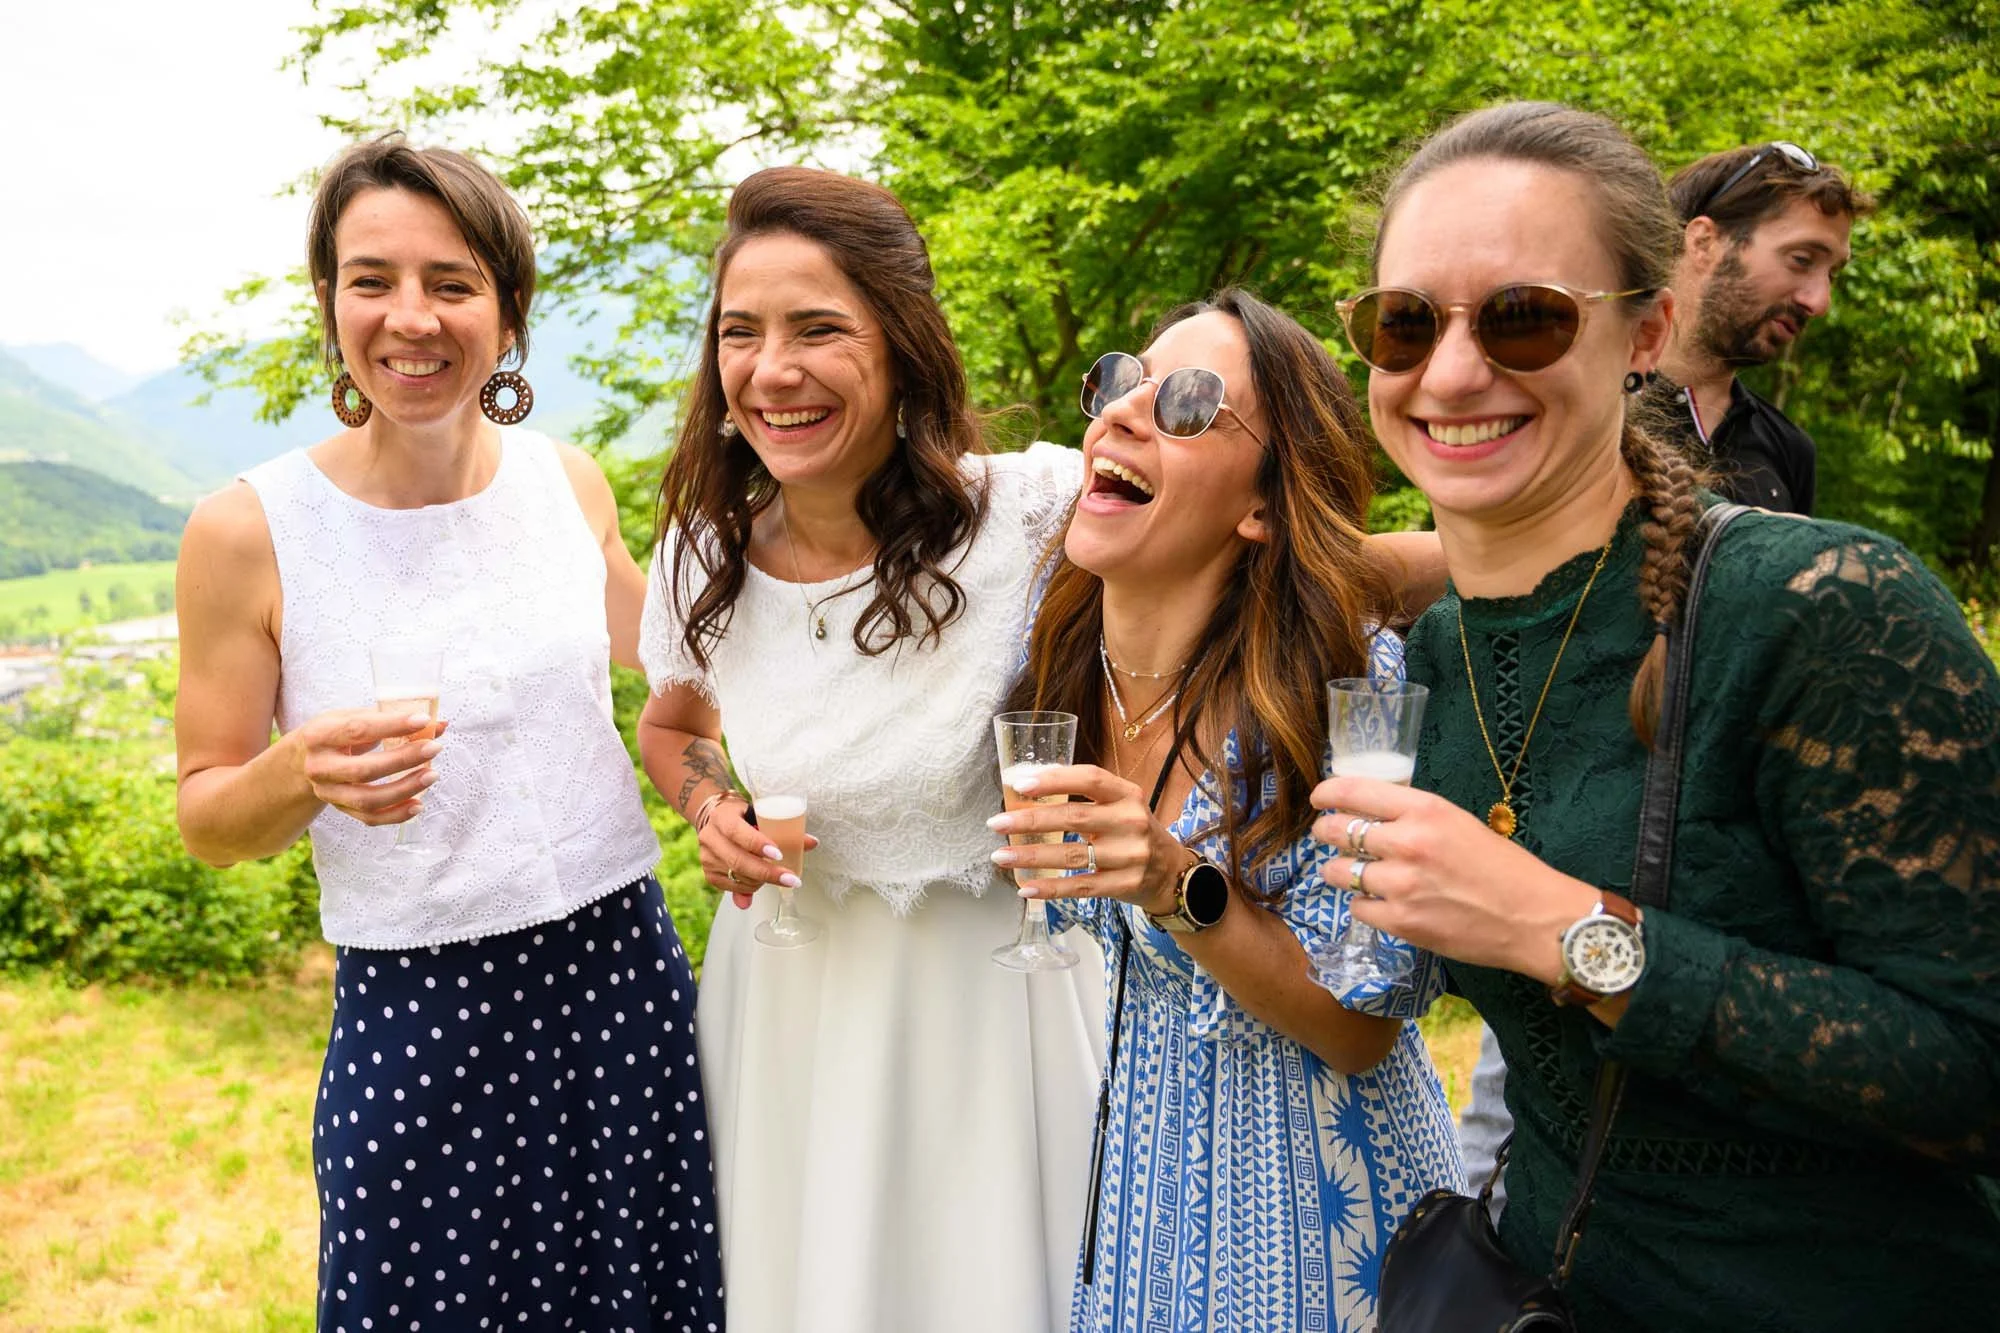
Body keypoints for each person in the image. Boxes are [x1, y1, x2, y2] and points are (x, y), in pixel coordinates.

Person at [1312, 100, 2000, 1329]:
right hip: (1543, 1289)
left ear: (1648, 331)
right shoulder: (1428, 654)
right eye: (1403, 322)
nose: (1452, 371)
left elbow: (1971, 1067)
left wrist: (1570, 931)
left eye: (1522, 316)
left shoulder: (1813, 606)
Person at [174, 135, 723, 1331]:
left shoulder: (565, 480)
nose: (408, 317)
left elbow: (689, 677)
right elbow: (208, 811)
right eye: (370, 279)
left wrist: (730, 782)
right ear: (328, 301)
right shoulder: (248, 530)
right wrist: (300, 768)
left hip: (619, 978)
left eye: (451, 283)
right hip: (420, 1015)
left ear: (508, 311)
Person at [635, 166, 1107, 1333]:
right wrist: (710, 813)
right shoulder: (703, 557)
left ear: (901, 347)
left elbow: (1263, 544)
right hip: (790, 1013)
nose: (770, 368)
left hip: (989, 1021)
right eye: (739, 333)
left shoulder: (1035, 514)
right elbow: (675, 723)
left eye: (817, 328)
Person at [993, 289, 1463, 1332]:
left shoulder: (1352, 689)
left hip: (1327, 1224)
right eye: (1121, 380)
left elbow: (1357, 1027)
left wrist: (1175, 883)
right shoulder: (1053, 657)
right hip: (1136, 1218)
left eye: (1189, 404)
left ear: (1260, 504)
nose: (1122, 410)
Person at [1649, 141, 1872, 512]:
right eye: (1801, 260)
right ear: (1704, 242)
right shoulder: (1593, 400)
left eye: (1832, 274)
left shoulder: (1789, 450)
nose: (1819, 302)